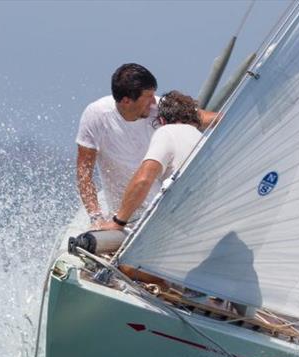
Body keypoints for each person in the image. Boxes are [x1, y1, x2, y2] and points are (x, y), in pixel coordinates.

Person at [76, 64, 216, 228]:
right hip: (121, 216)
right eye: (148, 96)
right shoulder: (97, 116)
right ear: (127, 101)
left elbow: (210, 118)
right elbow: (84, 171)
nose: (153, 102)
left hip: (161, 211)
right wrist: (95, 217)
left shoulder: (160, 108)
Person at [99, 90, 205, 232]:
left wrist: (118, 221)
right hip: (201, 225)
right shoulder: (204, 140)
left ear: (161, 120)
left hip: (177, 229)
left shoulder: (167, 132)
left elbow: (143, 180)